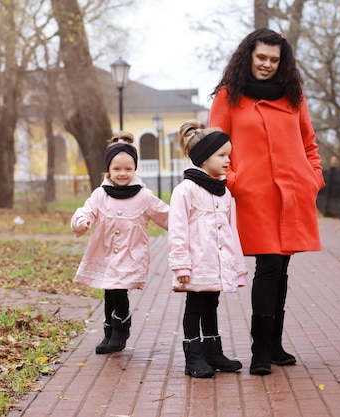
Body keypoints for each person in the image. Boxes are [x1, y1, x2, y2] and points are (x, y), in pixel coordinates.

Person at [209, 28, 326, 375]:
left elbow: (310, 145)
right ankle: (261, 349)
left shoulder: (294, 97)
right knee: (270, 265)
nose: (267, 64)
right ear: (248, 56)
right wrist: (235, 181)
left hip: (291, 194)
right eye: (261, 57)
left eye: (274, 59)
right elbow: (216, 146)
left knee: (281, 268)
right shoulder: (229, 96)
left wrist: (313, 179)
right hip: (254, 196)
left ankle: (273, 345)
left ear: (282, 62)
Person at [71, 141, 169, 354]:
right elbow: (86, 210)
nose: (122, 173)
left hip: (130, 253)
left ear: (135, 169)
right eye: (117, 169)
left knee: (118, 290)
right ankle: (109, 333)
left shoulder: (144, 196)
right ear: (108, 169)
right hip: (105, 253)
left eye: (128, 169)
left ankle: (121, 328)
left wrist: (187, 228)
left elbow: (166, 215)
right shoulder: (100, 194)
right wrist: (82, 221)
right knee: (109, 291)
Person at [168, 121, 248, 378]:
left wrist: (236, 266)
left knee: (211, 304)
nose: (228, 161)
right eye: (222, 155)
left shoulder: (223, 193)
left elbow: (230, 230)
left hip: (217, 264)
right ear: (203, 158)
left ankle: (214, 353)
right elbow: (178, 230)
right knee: (195, 305)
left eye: (229, 155)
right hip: (195, 264)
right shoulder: (185, 191)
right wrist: (181, 264)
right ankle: (194, 357)